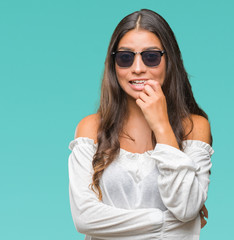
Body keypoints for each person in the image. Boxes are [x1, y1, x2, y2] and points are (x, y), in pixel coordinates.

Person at [68, 9, 213, 240]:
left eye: (151, 56)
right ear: (113, 64)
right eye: (125, 57)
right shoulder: (91, 129)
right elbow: (85, 218)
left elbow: (185, 208)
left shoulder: (195, 127)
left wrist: (162, 126)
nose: (137, 68)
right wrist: (167, 223)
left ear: (169, 60)